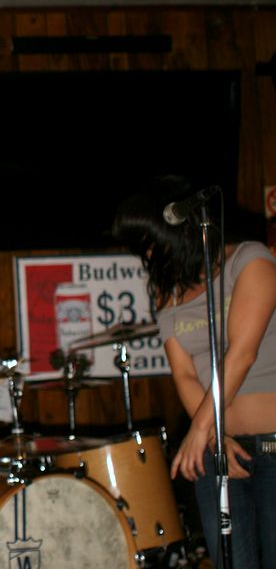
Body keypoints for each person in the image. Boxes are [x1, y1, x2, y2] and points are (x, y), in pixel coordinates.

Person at [112, 175, 276, 569]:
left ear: (178, 231)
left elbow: (243, 354)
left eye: (149, 242)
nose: (147, 255)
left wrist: (201, 429)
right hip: (221, 447)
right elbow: (184, 373)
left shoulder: (250, 260)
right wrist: (215, 437)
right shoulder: (168, 291)